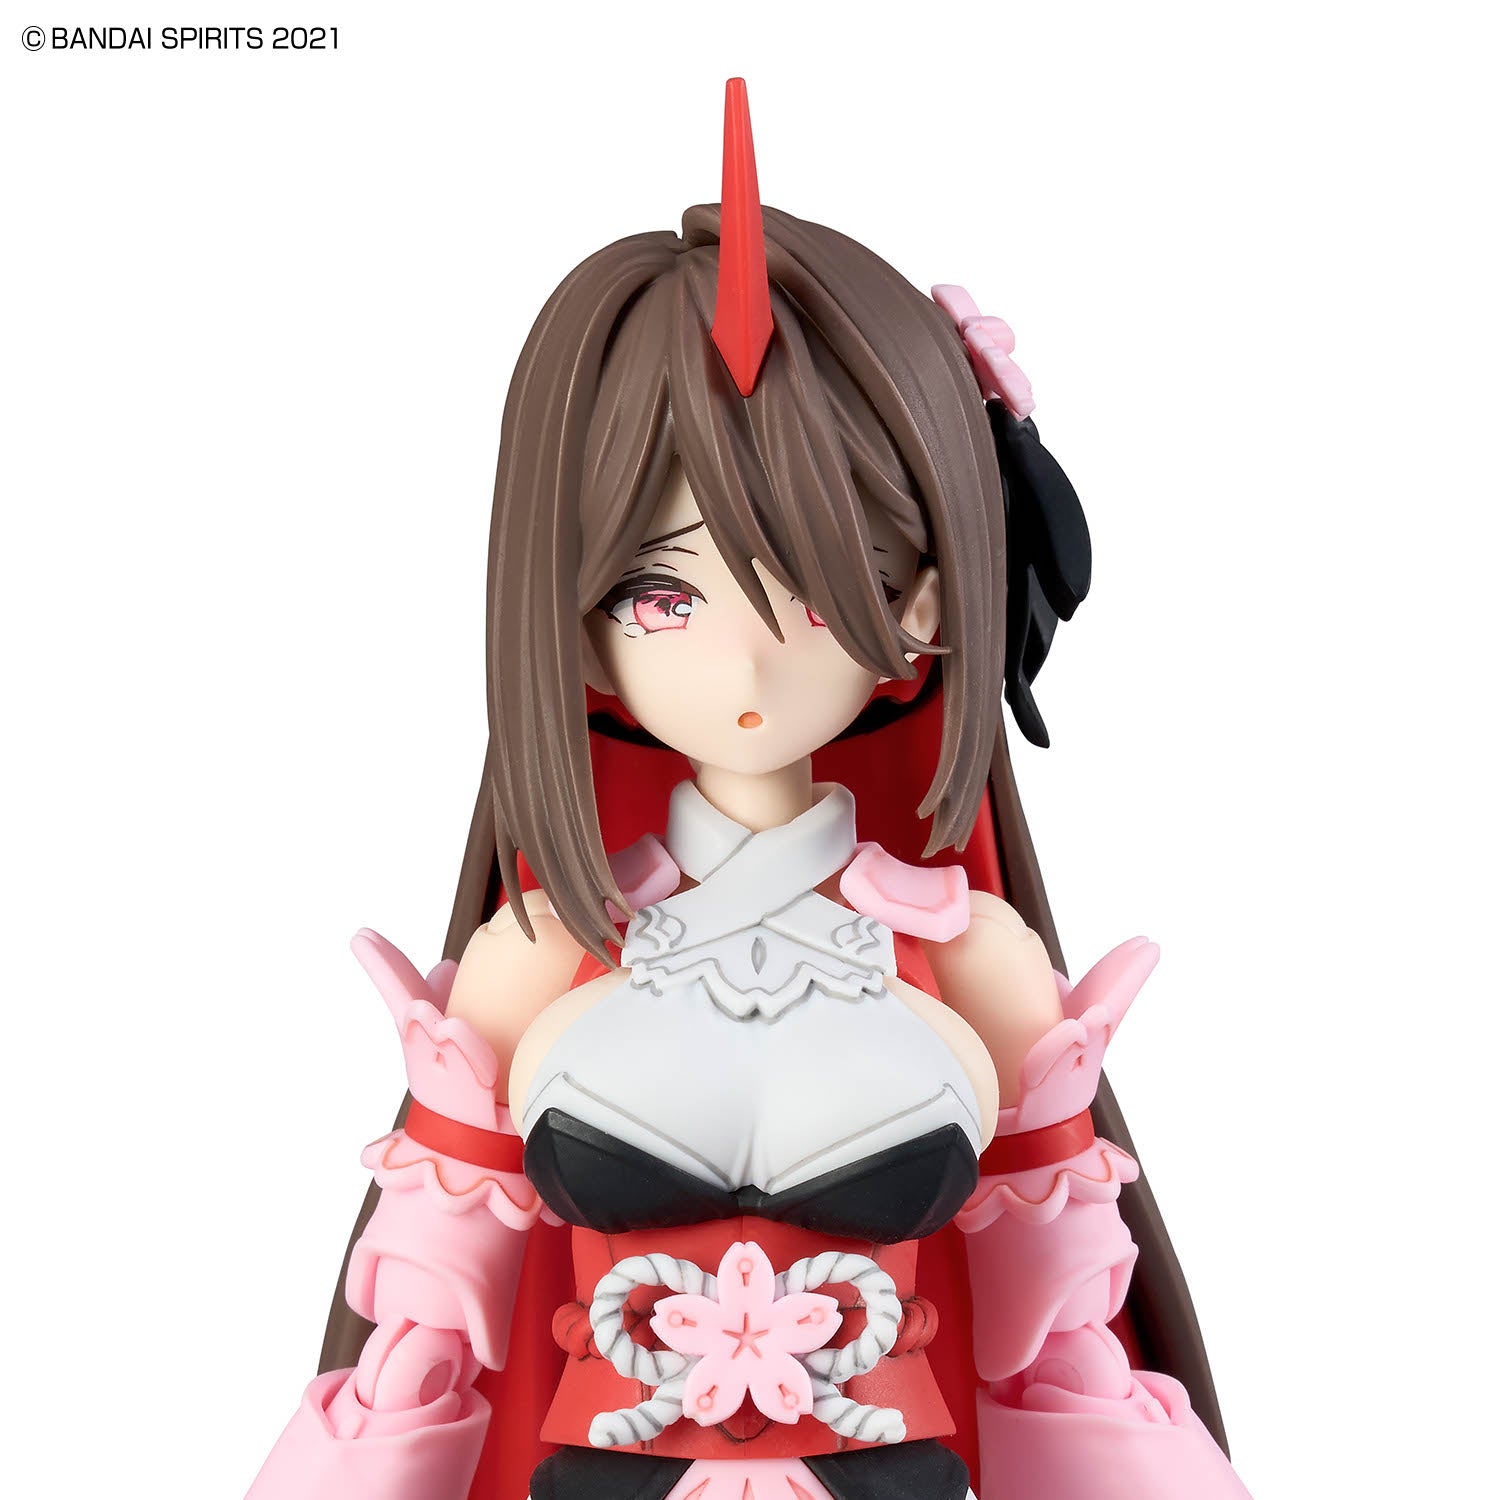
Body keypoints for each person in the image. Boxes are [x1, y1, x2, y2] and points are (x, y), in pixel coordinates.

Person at [249, 78, 1252, 1500]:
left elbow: (1059, 1357)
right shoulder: (544, 949)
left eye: (819, 588)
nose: (744, 660)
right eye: (663, 594)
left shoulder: (969, 955)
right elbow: (426, 1351)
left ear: (925, 605)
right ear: (572, 622)